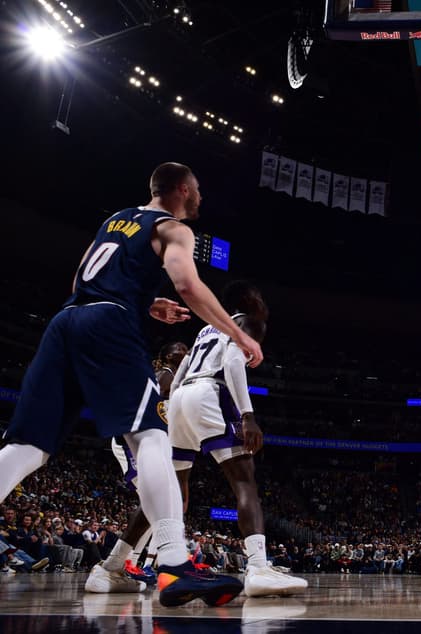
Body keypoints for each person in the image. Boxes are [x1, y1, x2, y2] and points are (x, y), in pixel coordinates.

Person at [0, 162, 261, 607]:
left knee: (27, 446)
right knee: (150, 436)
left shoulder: (114, 220)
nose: (201, 198)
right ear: (181, 190)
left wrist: (144, 302)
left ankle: (156, 563)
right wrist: (238, 334)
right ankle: (175, 564)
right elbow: (188, 285)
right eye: (197, 190)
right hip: (109, 324)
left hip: (66, 320)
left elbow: (83, 278)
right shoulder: (174, 228)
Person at [168, 281, 307, 597]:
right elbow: (232, 362)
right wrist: (247, 416)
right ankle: (258, 568)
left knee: (176, 490)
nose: (264, 303)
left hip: (182, 397)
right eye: (260, 296)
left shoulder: (206, 328)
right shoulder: (249, 322)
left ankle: (163, 560)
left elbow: (183, 369)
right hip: (209, 392)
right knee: (245, 482)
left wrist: (176, 407)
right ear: (247, 302)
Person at [111, 340, 190, 585]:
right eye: (179, 349)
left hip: (146, 439)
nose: (185, 352)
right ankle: (127, 563)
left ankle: (133, 563)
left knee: (155, 505)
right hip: (133, 439)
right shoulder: (165, 375)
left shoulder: (175, 380)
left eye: (187, 350)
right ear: (167, 356)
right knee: (154, 503)